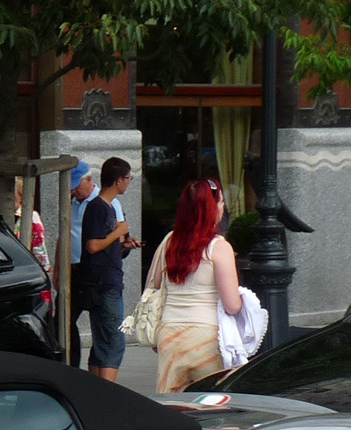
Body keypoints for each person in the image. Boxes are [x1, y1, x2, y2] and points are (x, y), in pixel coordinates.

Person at [149, 178, 244, 392]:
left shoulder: (169, 241)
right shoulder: (219, 247)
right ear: (211, 209)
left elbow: (153, 287)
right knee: (210, 403)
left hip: (170, 333)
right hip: (206, 336)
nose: (223, 207)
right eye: (220, 202)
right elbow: (232, 305)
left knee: (172, 405)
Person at [76, 156, 142, 382]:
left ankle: (95, 392)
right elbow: (93, 245)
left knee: (103, 343)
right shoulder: (100, 207)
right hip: (104, 286)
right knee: (114, 342)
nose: (129, 182)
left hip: (106, 282)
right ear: (117, 181)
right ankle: (105, 395)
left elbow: (103, 245)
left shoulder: (107, 208)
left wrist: (124, 244)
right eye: (127, 178)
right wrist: (118, 231)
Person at [65, 161, 92, 366]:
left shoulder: (100, 201)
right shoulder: (72, 202)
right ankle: (71, 362)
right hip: (71, 267)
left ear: (88, 180)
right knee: (63, 317)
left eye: (76, 185)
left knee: (71, 317)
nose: (74, 190)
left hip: (90, 269)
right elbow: (63, 235)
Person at [12, 176, 50, 273]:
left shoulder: (31, 216)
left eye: (13, 194)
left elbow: (38, 246)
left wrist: (43, 271)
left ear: (21, 196)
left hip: (26, 269)